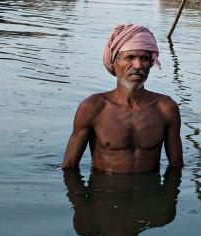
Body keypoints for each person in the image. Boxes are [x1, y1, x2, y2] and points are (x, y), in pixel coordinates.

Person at [62, 24, 183, 173]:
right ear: (114, 62)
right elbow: (69, 168)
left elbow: (176, 169)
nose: (138, 65)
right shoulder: (93, 107)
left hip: (148, 187)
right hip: (105, 186)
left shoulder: (166, 108)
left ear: (151, 64)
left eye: (144, 58)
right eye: (130, 57)